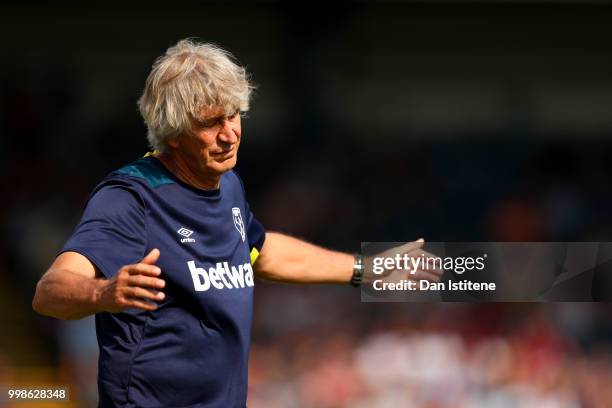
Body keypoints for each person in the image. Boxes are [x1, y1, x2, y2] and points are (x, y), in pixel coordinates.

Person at [32, 39, 440, 407]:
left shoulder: (227, 185)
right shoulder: (130, 197)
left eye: (235, 115)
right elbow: (49, 292)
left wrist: (362, 269)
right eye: (212, 123)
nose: (230, 134)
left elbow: (258, 253)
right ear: (173, 133)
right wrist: (105, 291)